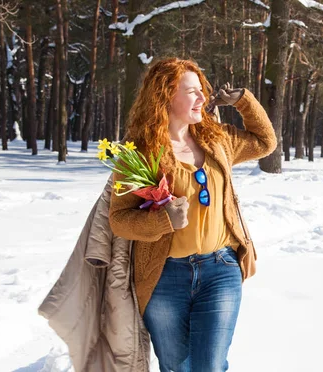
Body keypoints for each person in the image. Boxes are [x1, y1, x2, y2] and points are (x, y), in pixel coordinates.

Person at [108, 57, 277, 372]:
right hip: (163, 277)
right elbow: (120, 219)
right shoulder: (140, 153)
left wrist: (243, 101)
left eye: (202, 90)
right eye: (191, 91)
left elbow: (265, 143)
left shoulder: (218, 140)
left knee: (208, 366)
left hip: (221, 268)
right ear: (166, 96)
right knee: (176, 366)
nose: (202, 97)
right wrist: (162, 221)